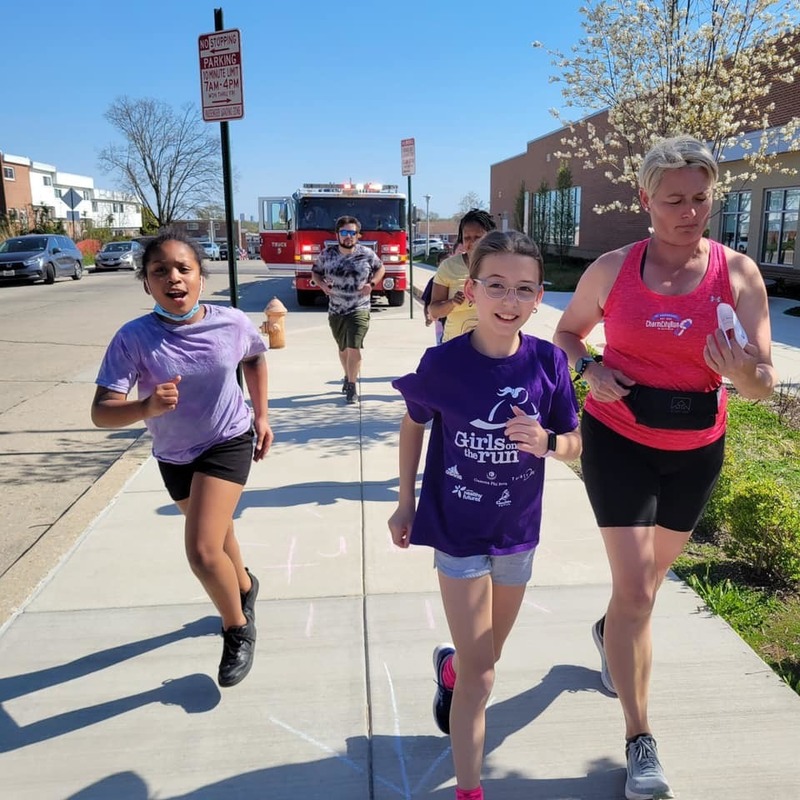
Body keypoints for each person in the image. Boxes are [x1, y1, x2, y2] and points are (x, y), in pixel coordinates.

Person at [553, 134, 777, 800]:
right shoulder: (613, 269)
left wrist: (744, 374)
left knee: (639, 589)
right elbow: (565, 335)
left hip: (695, 447)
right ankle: (639, 738)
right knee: (640, 595)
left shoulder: (738, 274)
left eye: (701, 199)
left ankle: (606, 631)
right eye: (674, 199)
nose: (689, 212)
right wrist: (593, 369)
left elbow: (765, 380)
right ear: (645, 197)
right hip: (619, 439)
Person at [389, 230, 581, 800]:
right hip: (456, 530)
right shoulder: (443, 364)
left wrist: (547, 442)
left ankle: (451, 672)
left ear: (540, 296)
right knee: (485, 676)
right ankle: (469, 790)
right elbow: (413, 425)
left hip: (516, 534)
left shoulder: (548, 362)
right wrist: (405, 502)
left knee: (485, 656)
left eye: (524, 289)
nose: (510, 300)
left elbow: (576, 441)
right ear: (471, 290)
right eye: (496, 285)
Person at [91, 231, 273, 689]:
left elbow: (254, 357)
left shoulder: (230, 322)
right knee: (220, 534)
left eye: (183, 269)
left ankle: (237, 628)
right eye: (159, 271)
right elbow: (102, 412)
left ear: (199, 276)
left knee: (202, 550)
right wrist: (145, 408)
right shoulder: (133, 338)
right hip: (173, 453)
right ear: (146, 283)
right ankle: (246, 588)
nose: (173, 278)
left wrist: (263, 415)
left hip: (228, 439)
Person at [312, 216, 385, 404]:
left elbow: (380, 268)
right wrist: (322, 285)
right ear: (337, 234)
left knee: (354, 346)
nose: (348, 237)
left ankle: (352, 387)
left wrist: (372, 283)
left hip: (359, 307)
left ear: (358, 235)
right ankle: (347, 375)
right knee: (343, 348)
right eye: (344, 233)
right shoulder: (327, 255)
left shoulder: (367, 254)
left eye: (352, 233)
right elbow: (316, 272)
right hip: (336, 309)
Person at [428, 209, 496, 342]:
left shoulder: (502, 267)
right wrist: (452, 303)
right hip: (454, 347)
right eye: (467, 238)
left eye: (478, 237)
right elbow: (434, 311)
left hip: (491, 348)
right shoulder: (448, 267)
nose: (472, 243)